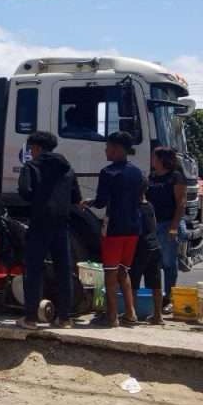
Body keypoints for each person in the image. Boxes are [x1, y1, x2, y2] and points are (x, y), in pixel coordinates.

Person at [17, 131, 81, 330]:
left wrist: (39, 199)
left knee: (34, 270)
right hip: (62, 224)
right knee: (64, 270)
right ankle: (64, 318)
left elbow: (25, 191)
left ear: (36, 148)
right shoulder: (67, 168)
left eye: (31, 149)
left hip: (40, 223)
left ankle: (30, 319)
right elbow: (76, 197)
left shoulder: (31, 167)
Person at [82, 131, 143, 327]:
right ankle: (131, 313)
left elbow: (101, 202)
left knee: (110, 272)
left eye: (107, 147)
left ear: (117, 149)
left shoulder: (107, 172)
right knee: (124, 272)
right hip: (134, 227)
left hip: (114, 227)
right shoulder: (137, 172)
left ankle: (112, 316)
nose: (105, 150)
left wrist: (88, 203)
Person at [146, 146, 187, 308]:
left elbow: (181, 203)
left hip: (168, 223)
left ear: (162, 159)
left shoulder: (175, 177)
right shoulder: (153, 176)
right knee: (155, 263)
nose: (151, 160)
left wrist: (174, 227)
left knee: (169, 263)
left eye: (154, 157)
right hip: (154, 224)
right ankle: (157, 297)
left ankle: (169, 297)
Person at [131, 181, 164, 325]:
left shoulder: (134, 207)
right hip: (155, 246)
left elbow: (133, 229)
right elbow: (154, 225)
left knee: (133, 282)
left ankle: (130, 313)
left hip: (141, 247)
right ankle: (158, 315)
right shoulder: (149, 206)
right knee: (156, 283)